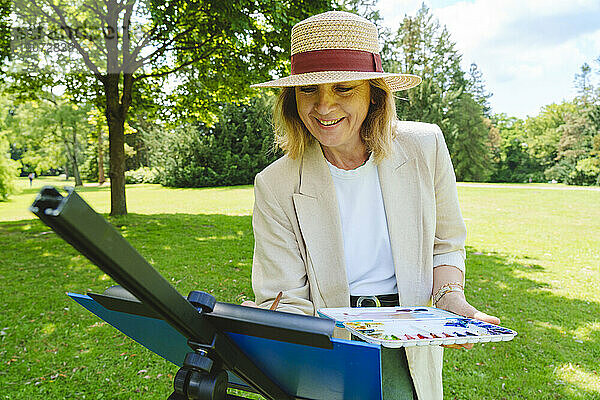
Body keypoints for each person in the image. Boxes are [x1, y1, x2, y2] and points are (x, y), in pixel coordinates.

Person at [244, 11, 500, 400]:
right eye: (309, 90)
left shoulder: (425, 146)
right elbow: (284, 296)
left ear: (374, 92)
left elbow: (445, 243)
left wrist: (451, 299)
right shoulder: (275, 184)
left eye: (343, 88)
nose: (324, 107)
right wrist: (287, 333)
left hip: (412, 345)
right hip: (327, 348)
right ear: (291, 98)